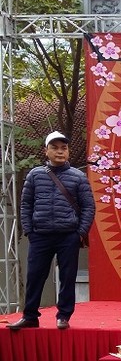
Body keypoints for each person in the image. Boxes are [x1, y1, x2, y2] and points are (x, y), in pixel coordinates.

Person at [9, 132, 95, 330]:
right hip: (40, 235)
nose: (59, 151)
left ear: (68, 151)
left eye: (63, 148)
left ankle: (63, 316)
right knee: (35, 276)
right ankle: (30, 316)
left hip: (68, 235)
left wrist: (80, 232)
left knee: (67, 277)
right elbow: (26, 205)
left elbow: (89, 207)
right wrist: (30, 230)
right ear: (46, 151)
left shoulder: (78, 177)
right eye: (54, 147)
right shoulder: (35, 175)